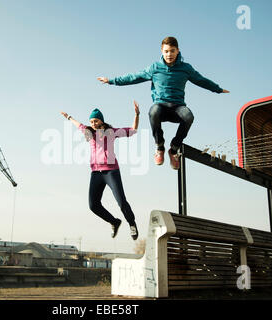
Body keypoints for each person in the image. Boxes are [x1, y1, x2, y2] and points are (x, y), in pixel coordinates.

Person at [97, 36, 230, 170]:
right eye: (166, 51)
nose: (169, 54)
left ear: (178, 51)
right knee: (153, 111)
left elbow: (201, 80)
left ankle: (173, 149)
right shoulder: (155, 68)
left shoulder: (186, 68)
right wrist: (112, 80)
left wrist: (217, 89)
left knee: (189, 116)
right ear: (161, 51)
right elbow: (134, 77)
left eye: (172, 51)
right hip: (161, 108)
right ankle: (160, 147)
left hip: (178, 107)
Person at [60, 101, 140, 240]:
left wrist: (137, 115)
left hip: (111, 171)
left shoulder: (111, 132)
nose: (93, 123)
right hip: (96, 173)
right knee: (93, 205)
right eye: (91, 121)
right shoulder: (89, 133)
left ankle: (132, 224)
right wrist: (69, 117)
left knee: (121, 201)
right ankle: (114, 222)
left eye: (95, 121)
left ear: (101, 121)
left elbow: (132, 130)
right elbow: (79, 125)